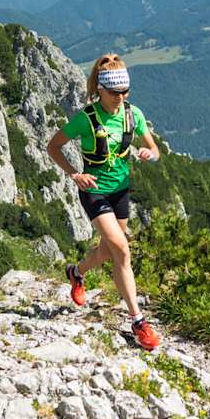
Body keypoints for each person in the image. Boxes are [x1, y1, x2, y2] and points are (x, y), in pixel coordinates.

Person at [45, 53, 162, 350]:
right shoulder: (86, 119)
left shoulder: (132, 115)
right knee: (122, 249)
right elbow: (53, 146)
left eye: (125, 92)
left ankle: (76, 272)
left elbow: (153, 146)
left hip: (121, 191)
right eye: (114, 93)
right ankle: (138, 322)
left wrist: (151, 154)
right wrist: (75, 174)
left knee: (108, 252)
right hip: (94, 190)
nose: (120, 98)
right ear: (100, 90)